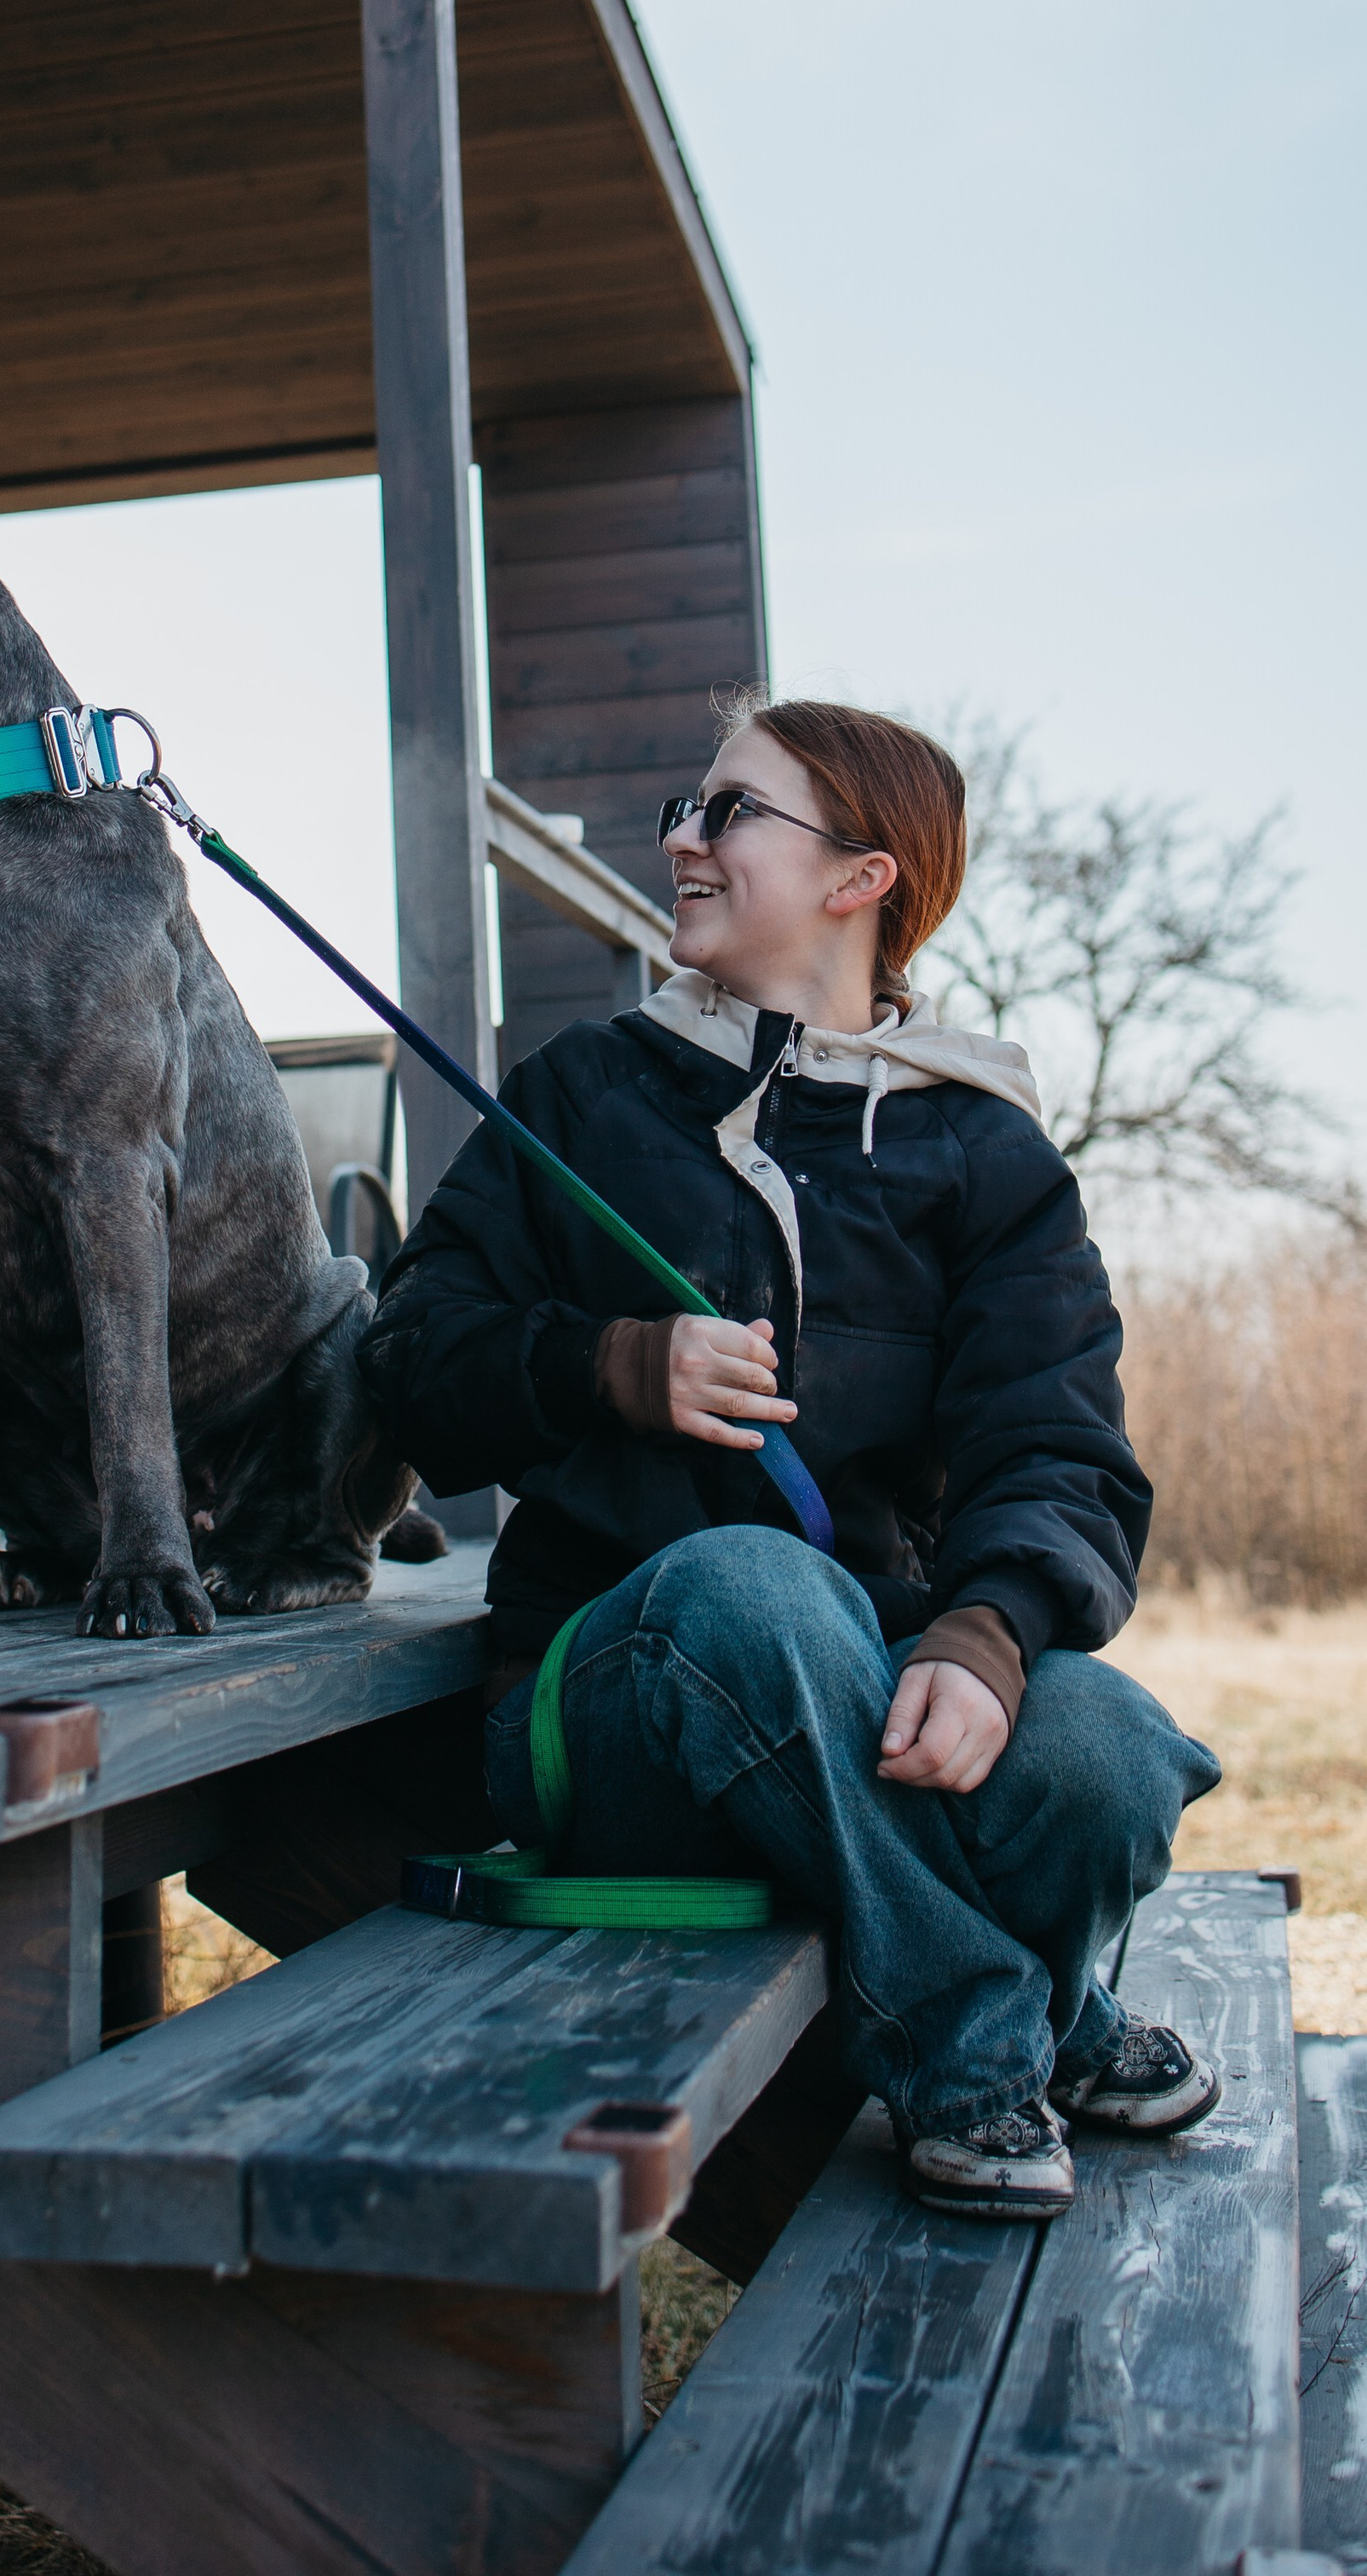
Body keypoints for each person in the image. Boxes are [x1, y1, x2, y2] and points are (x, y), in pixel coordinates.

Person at [358, 695, 1221, 2218]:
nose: (680, 838)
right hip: (603, 1701)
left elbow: (1062, 1452)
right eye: (688, 808)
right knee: (750, 1592)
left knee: (1108, 1751)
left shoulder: (990, 1158)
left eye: (728, 811)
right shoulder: (583, 1092)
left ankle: (1041, 2003)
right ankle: (985, 2048)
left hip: (868, 1676)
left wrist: (986, 1632)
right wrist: (607, 1362)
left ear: (859, 879)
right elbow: (407, 1364)